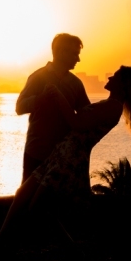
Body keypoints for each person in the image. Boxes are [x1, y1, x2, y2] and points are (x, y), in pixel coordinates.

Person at [0, 66, 131, 245]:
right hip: (60, 155)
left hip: (69, 161)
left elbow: (77, 123)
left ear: (124, 84)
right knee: (23, 197)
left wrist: (59, 95)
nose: (110, 76)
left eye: (116, 76)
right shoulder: (107, 104)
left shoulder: (113, 107)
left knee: (39, 208)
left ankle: (70, 253)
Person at [17, 34, 91, 182]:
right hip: (37, 152)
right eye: (75, 53)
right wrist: (40, 99)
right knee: (28, 198)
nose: (78, 59)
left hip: (63, 155)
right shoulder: (37, 77)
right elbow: (19, 107)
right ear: (62, 52)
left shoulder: (76, 83)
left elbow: (87, 114)